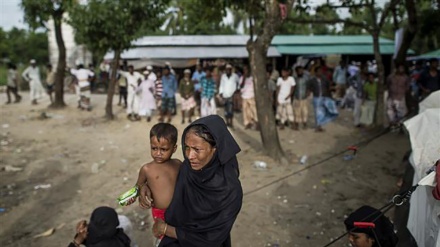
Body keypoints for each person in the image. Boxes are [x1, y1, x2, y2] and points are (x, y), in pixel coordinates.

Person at [138, 115, 242, 247]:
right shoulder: (188, 169)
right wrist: (145, 186)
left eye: (197, 150)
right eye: (187, 147)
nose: (189, 156)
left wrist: (166, 229)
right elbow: (168, 183)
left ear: (215, 150)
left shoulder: (229, 191)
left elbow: (212, 238)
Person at [126, 123, 181, 246]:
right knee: (163, 238)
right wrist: (132, 196)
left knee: (178, 236)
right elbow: (138, 186)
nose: (158, 153)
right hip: (160, 212)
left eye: (164, 149)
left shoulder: (178, 164)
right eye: (154, 148)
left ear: (174, 148)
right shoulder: (147, 169)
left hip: (179, 209)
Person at [308, 66, 338, 132]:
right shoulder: (312, 80)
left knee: (323, 112)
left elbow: (328, 88)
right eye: (319, 71)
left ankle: (320, 125)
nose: (320, 72)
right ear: (316, 72)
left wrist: (331, 96)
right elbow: (309, 88)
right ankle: (317, 126)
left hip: (324, 97)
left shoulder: (325, 79)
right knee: (317, 112)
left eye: (321, 71)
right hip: (317, 97)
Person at [239, 65, 258, 130]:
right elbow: (241, 86)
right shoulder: (242, 78)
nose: (245, 71)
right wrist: (244, 78)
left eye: (246, 70)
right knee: (245, 111)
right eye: (244, 70)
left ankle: (256, 122)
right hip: (244, 96)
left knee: (253, 110)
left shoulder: (252, 78)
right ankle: (247, 123)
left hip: (251, 96)